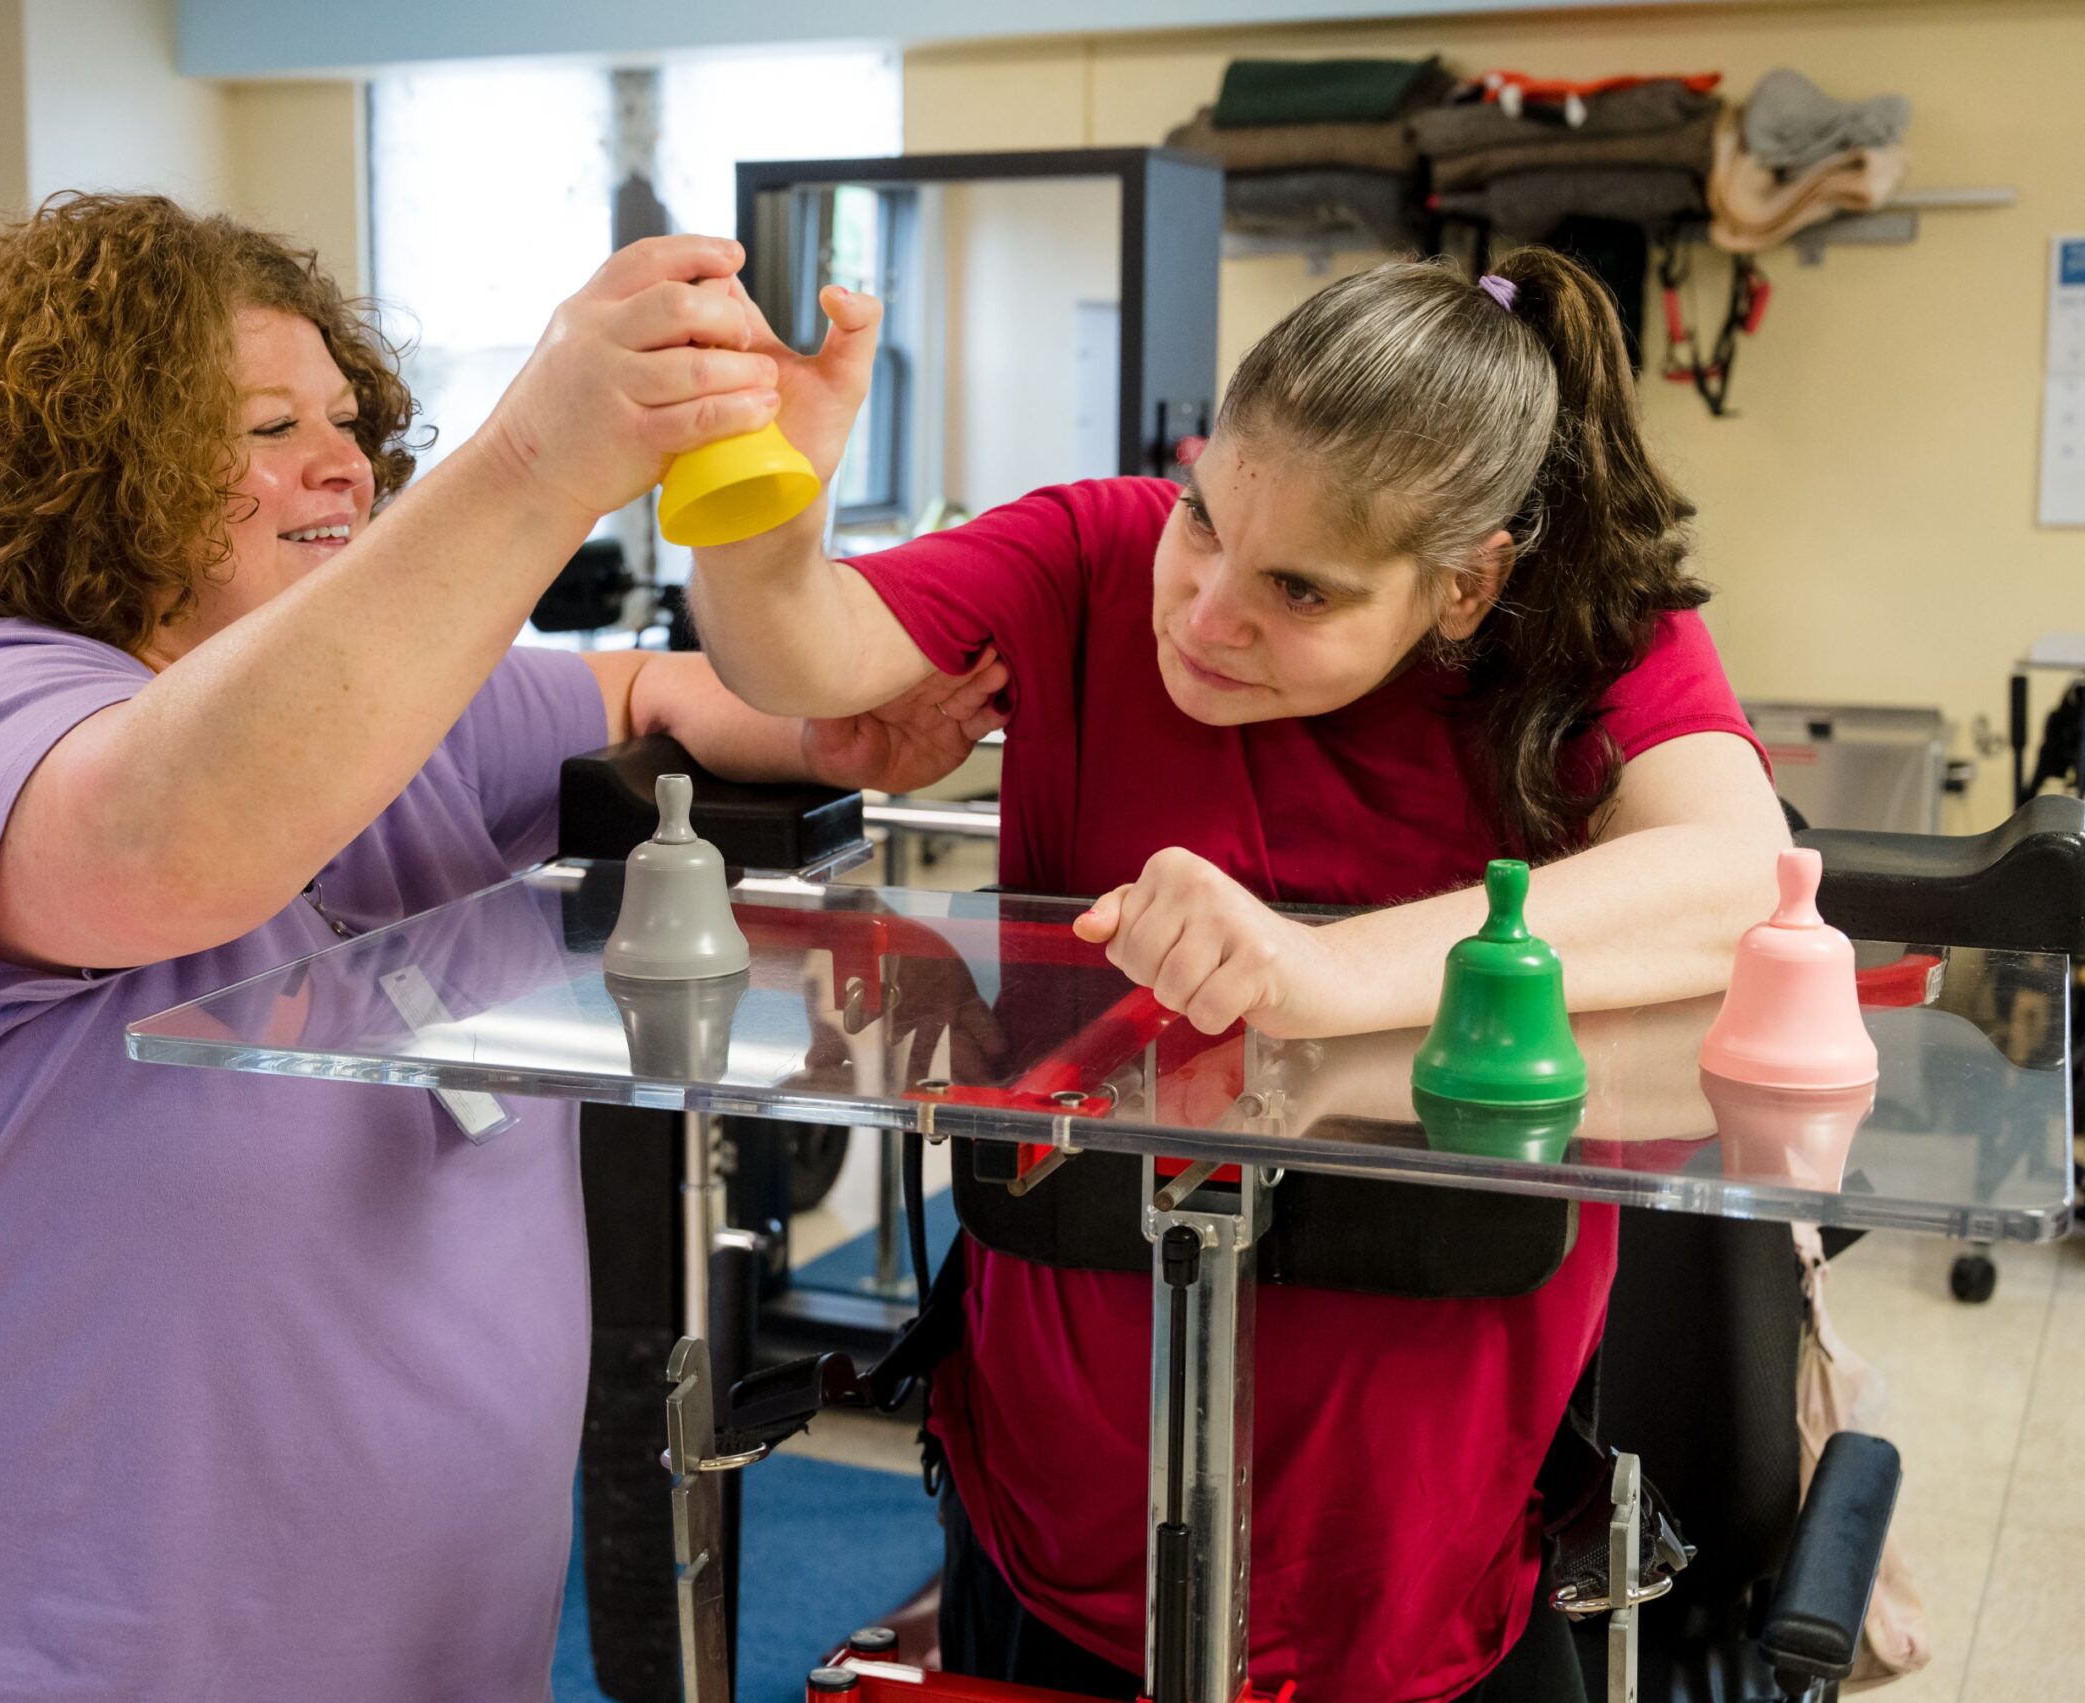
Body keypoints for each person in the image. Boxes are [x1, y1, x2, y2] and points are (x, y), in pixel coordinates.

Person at [0, 194, 1005, 1703]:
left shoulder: (408, 710)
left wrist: (808, 610)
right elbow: (169, 845)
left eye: (349, 417)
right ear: (88, 467)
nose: (344, 460)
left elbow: (672, 693)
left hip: (399, 1645)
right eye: (264, 425)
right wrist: (536, 463)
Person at [685, 250, 1789, 1702]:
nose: (1207, 611)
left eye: (1301, 590)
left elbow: (1737, 882)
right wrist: (771, 509)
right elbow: (795, 654)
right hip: (1063, 1469)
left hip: (1418, 1499)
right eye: (1204, 518)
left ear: (1465, 586)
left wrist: (1318, 971)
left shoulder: (1586, 634)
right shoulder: (1091, 548)